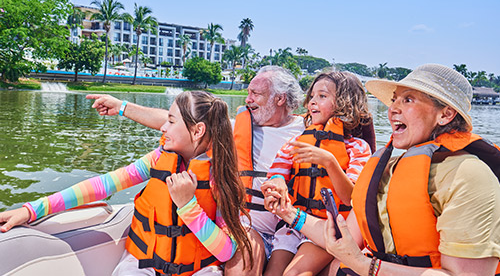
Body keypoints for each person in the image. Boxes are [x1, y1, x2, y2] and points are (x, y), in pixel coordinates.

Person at [265, 64, 500, 276]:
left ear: (445, 114)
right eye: (394, 100)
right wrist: (288, 213)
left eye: (408, 100)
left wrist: (364, 265)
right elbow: (346, 237)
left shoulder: (470, 176)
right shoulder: (387, 170)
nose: (392, 109)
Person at [0, 91, 253, 275]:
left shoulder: (221, 178)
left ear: (197, 131)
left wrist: (188, 206)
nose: (163, 127)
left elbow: (226, 251)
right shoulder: (158, 159)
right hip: (144, 263)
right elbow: (102, 186)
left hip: (198, 270)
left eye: (172, 121)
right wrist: (32, 210)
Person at [85, 66, 305, 275]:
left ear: (280, 98)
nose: (247, 100)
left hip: (288, 227)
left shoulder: (306, 131)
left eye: (255, 93)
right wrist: (122, 107)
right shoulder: (237, 126)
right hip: (246, 225)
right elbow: (179, 122)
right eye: (248, 92)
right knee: (241, 266)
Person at [260, 71, 374, 276]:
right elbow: (277, 172)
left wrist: (330, 162)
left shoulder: (358, 148)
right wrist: (276, 185)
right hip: (293, 225)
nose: (312, 102)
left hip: (326, 230)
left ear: (344, 103)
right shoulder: (297, 143)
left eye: (322, 96)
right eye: (311, 96)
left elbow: (351, 197)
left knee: (294, 274)